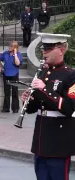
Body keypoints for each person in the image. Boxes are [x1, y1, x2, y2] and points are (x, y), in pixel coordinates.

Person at [21, 33, 74, 180]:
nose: (44, 51)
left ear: (61, 50)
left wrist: (45, 89)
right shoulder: (42, 72)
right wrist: (28, 99)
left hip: (59, 140)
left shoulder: (70, 75)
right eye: (44, 48)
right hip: (41, 137)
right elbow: (34, 109)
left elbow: (69, 108)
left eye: (49, 48)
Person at [0, 41, 23, 113]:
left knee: (15, 92)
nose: (9, 47)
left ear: (15, 48)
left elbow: (17, 63)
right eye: (9, 46)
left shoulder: (18, 54)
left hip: (14, 75)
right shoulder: (6, 53)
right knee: (6, 92)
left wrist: (15, 54)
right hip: (6, 74)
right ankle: (6, 108)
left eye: (11, 46)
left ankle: (15, 108)